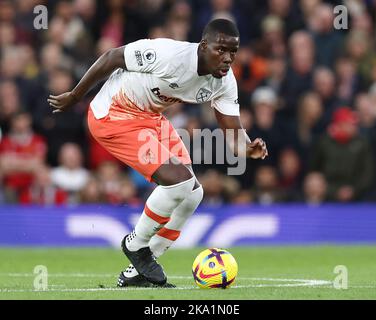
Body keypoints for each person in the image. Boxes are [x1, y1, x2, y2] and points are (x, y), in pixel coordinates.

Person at [48, 19, 268, 288]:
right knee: (180, 181)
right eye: (220, 50)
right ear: (203, 46)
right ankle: (136, 244)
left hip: (150, 118)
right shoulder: (169, 55)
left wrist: (246, 148)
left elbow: (233, 130)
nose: (227, 58)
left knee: (193, 193)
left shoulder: (223, 82)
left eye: (232, 52)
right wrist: (75, 95)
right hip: (114, 114)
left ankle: (139, 270)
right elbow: (112, 57)